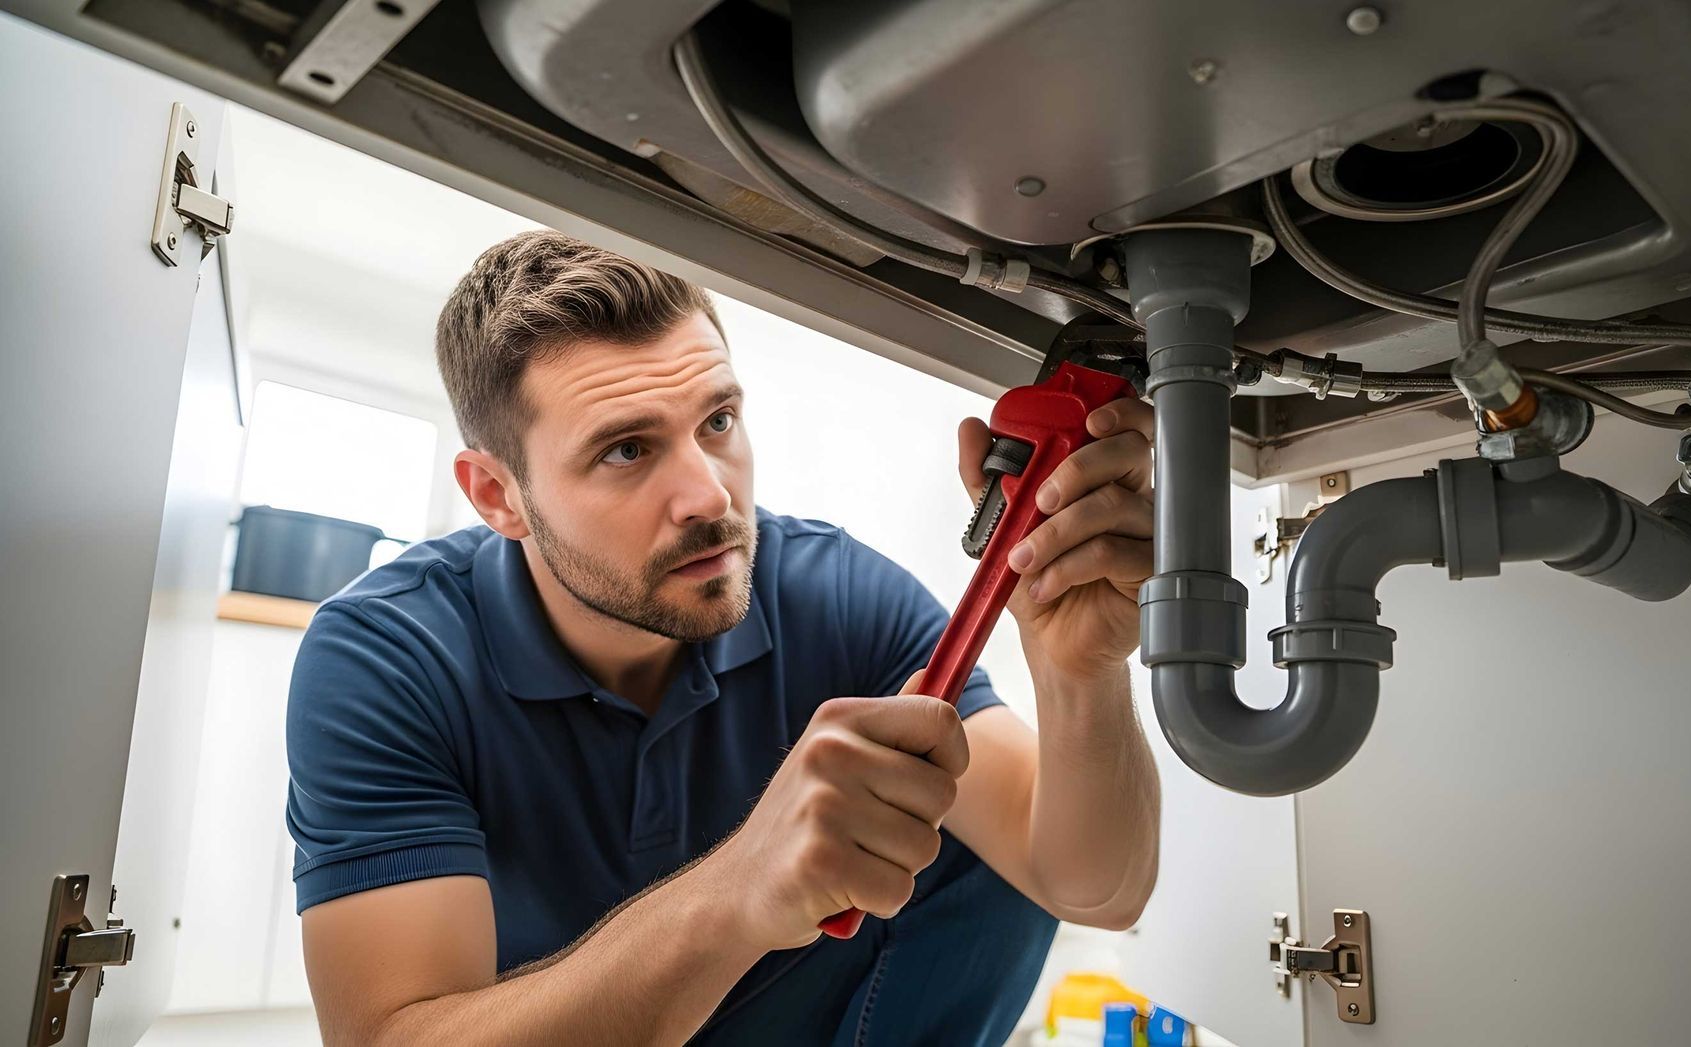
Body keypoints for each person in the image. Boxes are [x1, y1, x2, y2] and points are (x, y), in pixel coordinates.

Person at [286, 231, 1162, 1045]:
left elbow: (1097, 887)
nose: (709, 495)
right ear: (497, 496)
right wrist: (742, 886)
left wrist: (1078, 670)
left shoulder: (836, 593)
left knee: (964, 831)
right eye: (627, 450)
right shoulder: (385, 656)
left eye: (717, 421)